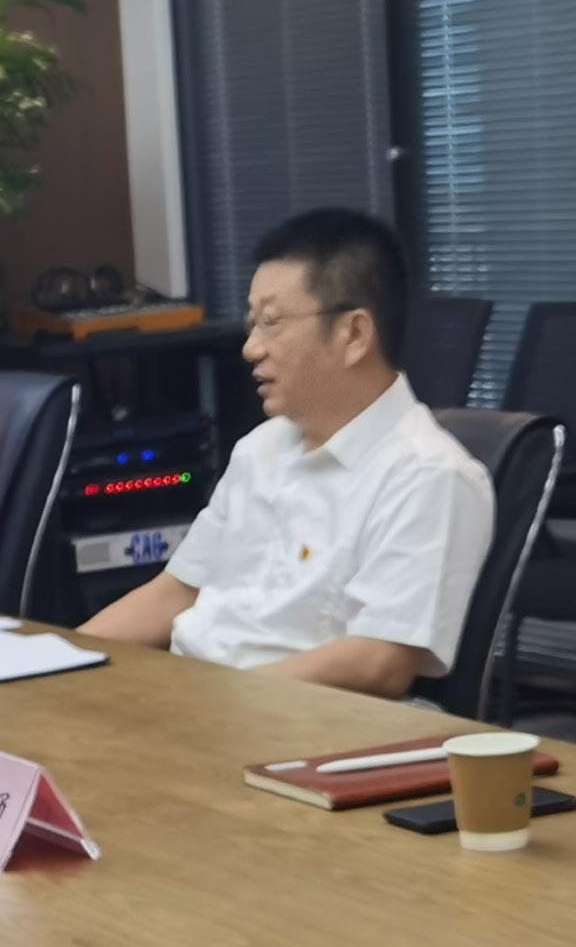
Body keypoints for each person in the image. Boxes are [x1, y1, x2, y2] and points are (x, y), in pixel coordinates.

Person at [78, 209, 494, 699]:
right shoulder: (261, 448)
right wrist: (59, 659)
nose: (251, 349)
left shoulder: (428, 475)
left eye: (271, 323)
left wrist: (212, 699)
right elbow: (178, 591)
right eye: (252, 324)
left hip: (303, 723)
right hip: (198, 699)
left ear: (354, 335)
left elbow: (379, 661)